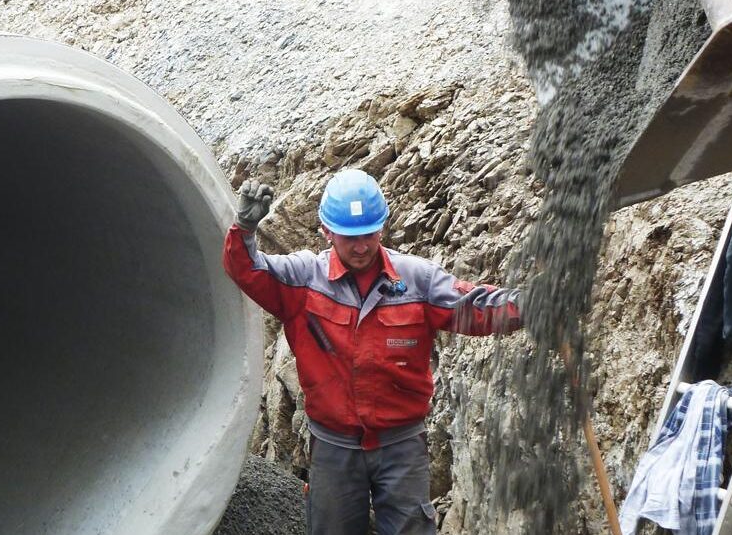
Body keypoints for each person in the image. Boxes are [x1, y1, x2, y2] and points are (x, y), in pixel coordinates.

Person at [222, 168, 522, 535]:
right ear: (326, 231)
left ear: (383, 228)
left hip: (402, 446)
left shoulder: (417, 280)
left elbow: (475, 307)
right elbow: (248, 270)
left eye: (369, 234)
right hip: (333, 448)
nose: (361, 246)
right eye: (350, 238)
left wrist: (531, 305)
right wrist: (245, 231)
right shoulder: (303, 280)